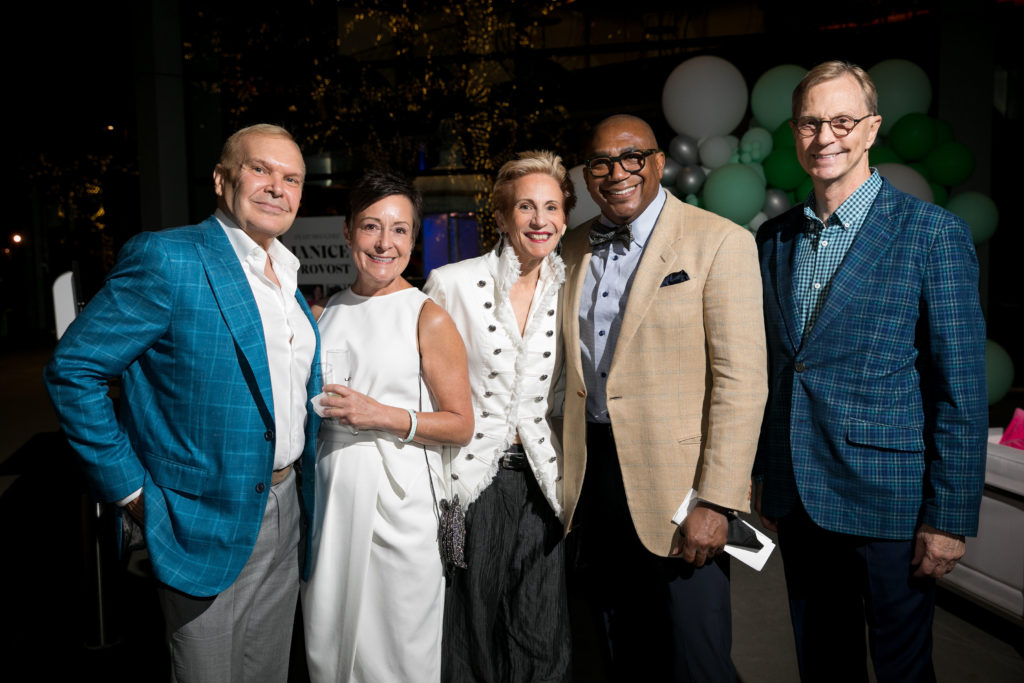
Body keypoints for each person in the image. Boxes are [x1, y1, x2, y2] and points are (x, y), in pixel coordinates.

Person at [44, 124, 320, 682]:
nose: (276, 187)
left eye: (291, 178)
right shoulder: (168, 259)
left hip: (287, 504)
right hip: (197, 515)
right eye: (259, 170)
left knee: (267, 672)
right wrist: (131, 492)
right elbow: (74, 370)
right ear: (222, 180)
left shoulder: (287, 275)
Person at [753, 60, 987, 682]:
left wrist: (949, 518)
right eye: (809, 122)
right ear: (795, 132)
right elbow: (779, 369)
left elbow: (959, 388)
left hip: (893, 501)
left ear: (872, 129)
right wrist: (766, 474)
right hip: (799, 498)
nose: (825, 136)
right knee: (822, 666)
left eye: (842, 120)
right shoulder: (773, 240)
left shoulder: (932, 234)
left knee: (903, 672)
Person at [560, 115, 768, 681]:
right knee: (617, 647)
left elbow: (741, 383)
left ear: (657, 163)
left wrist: (718, 500)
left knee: (695, 658)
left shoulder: (720, 242)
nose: (616, 172)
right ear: (587, 175)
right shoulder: (572, 247)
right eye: (600, 163)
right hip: (593, 479)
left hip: (682, 490)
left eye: (631, 157)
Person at [301, 170, 474, 683]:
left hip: (400, 510)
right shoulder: (327, 310)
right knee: (330, 646)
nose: (384, 243)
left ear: (414, 240)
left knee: (398, 652)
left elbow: (461, 424)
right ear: (348, 231)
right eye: (371, 227)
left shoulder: (428, 316)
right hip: (330, 502)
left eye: (399, 230)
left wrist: (383, 415)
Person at [424, 150, 575, 682]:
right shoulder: (452, 283)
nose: (540, 221)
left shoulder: (571, 287)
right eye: (526, 207)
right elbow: (425, 388)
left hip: (543, 482)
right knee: (471, 634)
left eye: (552, 208)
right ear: (504, 216)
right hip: (471, 484)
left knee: (541, 631)